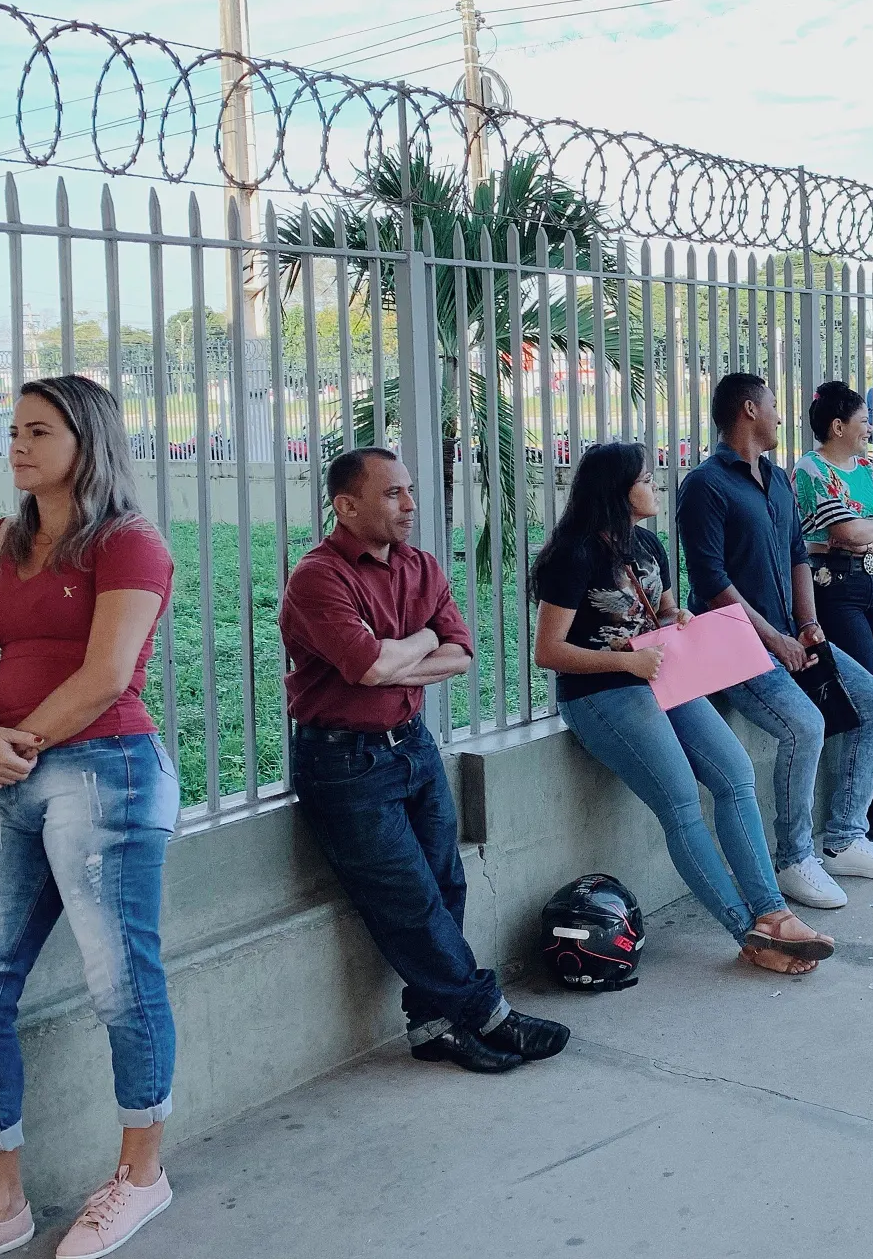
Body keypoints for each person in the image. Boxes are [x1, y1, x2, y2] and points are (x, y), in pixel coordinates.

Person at [0, 376, 179, 1259]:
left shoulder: (129, 545)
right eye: (11, 430)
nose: (17, 444)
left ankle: (142, 1178)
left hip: (106, 774)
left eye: (38, 430)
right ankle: (1, 1206)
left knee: (121, 984)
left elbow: (107, 677)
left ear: (87, 440)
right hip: (12, 781)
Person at [281, 447, 569, 1078]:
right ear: (346, 505)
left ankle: (434, 1027)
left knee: (444, 885)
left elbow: (462, 655)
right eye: (392, 495)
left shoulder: (421, 568)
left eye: (409, 491)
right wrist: (418, 643)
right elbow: (368, 665)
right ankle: (487, 1013)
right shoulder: (318, 577)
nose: (410, 505)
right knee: (410, 900)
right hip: (344, 763)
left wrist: (397, 655)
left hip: (412, 746)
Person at [534, 441, 835, 975]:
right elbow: (549, 652)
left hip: (662, 678)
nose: (656, 487)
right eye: (646, 479)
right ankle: (748, 932)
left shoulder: (647, 544)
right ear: (617, 489)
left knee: (736, 774)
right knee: (681, 806)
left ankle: (773, 913)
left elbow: (663, 607)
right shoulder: (573, 555)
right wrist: (625, 663)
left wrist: (679, 618)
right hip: (601, 695)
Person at [675, 373, 873, 911]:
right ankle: (795, 859)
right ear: (750, 410)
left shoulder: (776, 480)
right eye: (775, 405)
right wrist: (774, 638)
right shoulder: (705, 485)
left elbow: (799, 553)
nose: (782, 415)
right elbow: (710, 583)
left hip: (789, 634)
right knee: (805, 725)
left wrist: (807, 624)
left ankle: (845, 837)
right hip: (732, 643)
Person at [793, 380, 873, 851]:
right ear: (838, 424)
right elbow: (842, 532)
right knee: (868, 705)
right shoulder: (811, 468)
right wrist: (872, 530)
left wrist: (871, 534)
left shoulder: (866, 467)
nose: (870, 428)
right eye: (864, 420)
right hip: (835, 589)